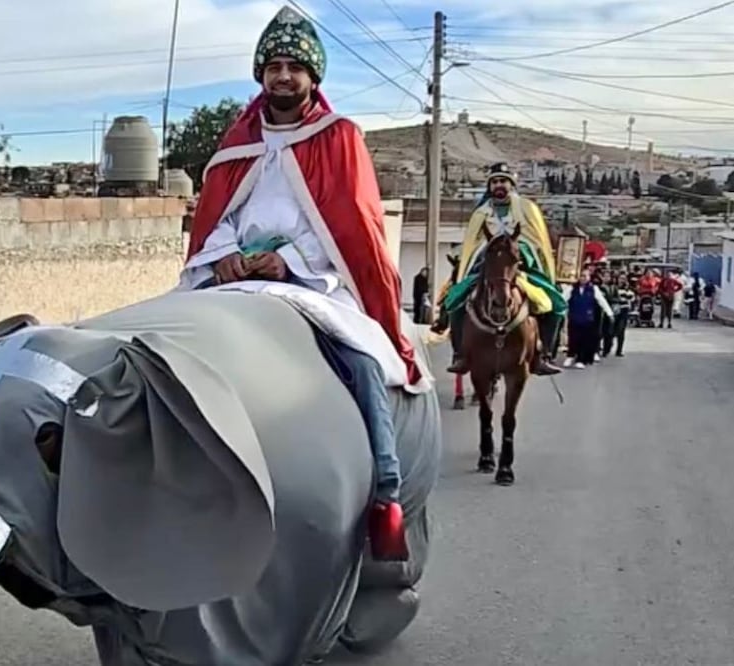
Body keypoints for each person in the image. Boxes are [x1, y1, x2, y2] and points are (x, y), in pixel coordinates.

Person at [178, 6, 416, 561]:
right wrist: (225, 256)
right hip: (235, 281)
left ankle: (386, 491)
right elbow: (221, 217)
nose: (283, 76)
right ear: (261, 74)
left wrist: (291, 262)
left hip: (312, 280)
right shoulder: (239, 141)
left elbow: (347, 224)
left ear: (314, 77)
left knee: (357, 357)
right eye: (273, 66)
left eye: (294, 67)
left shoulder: (339, 138)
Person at [441, 163, 566, 376]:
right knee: (454, 299)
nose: (499, 185)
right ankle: (460, 354)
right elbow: (474, 241)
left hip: (521, 262)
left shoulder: (527, 208)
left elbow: (536, 239)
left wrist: (518, 249)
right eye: (495, 181)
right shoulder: (481, 213)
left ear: (512, 185)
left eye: (503, 181)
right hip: (486, 263)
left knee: (556, 303)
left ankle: (543, 355)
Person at [564, 270, 614, 368]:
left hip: (587, 318)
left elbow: (602, 301)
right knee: (573, 338)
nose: (583, 278)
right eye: (581, 276)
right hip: (574, 317)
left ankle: (580, 360)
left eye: (585, 276)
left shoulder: (593, 289)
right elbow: (562, 299)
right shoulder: (572, 288)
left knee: (584, 339)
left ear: (589, 277)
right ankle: (570, 356)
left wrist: (609, 313)